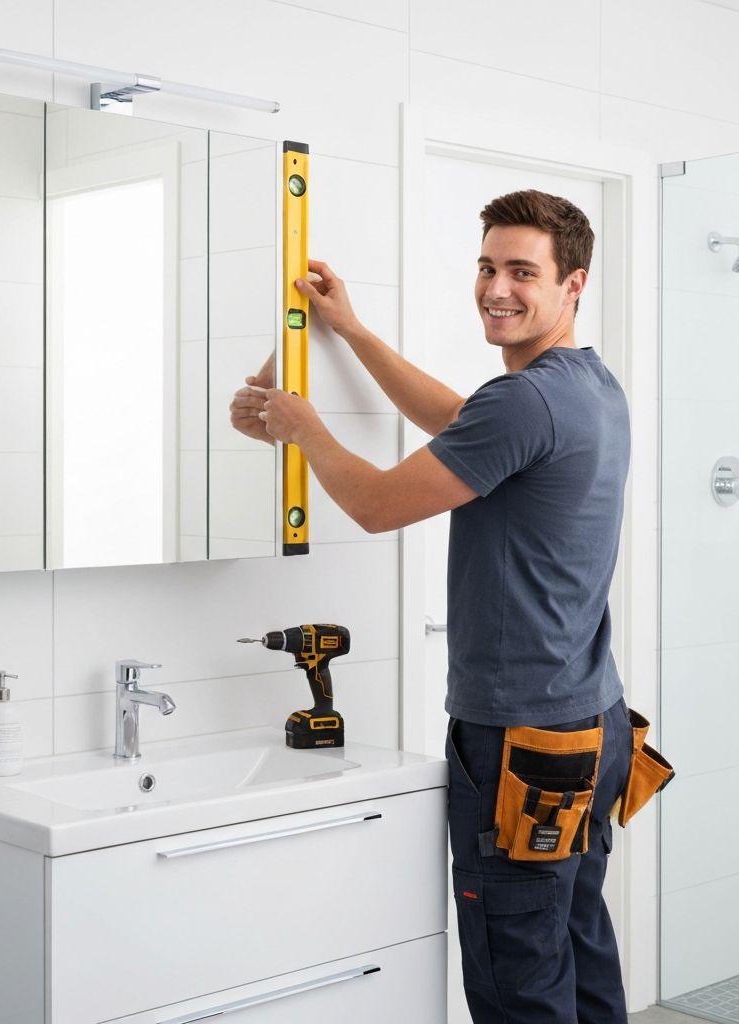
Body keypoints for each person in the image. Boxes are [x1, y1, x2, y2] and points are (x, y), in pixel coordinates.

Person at [233, 190, 634, 1023]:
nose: (497, 288)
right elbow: (458, 419)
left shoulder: (525, 400)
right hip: (592, 724)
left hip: (519, 742)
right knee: (577, 946)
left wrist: (303, 426)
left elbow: (380, 505)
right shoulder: (586, 386)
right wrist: (352, 331)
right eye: (487, 267)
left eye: (523, 271)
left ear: (574, 284)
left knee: (518, 982)